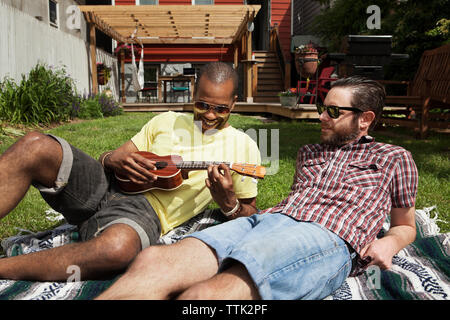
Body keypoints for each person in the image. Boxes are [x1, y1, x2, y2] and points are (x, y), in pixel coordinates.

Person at [96, 76, 418, 300]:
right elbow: (287, 208)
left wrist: (389, 244)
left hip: (327, 234)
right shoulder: (309, 153)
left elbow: (405, 225)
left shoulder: (393, 158)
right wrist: (230, 204)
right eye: (323, 107)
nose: (321, 116)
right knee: (154, 262)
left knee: (204, 296)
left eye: (334, 112)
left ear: (365, 119)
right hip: (267, 221)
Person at [0, 62, 261, 281]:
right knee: (34, 146)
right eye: (202, 105)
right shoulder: (166, 120)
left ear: (234, 103)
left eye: (221, 109)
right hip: (103, 184)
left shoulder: (244, 147)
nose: (210, 115)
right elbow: (108, 157)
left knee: (117, 249)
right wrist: (115, 159)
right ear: (194, 94)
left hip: (143, 213)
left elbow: (250, 211)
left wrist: (229, 205)